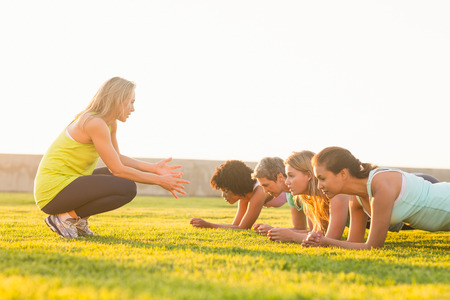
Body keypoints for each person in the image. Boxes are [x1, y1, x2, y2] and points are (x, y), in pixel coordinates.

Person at [34, 77, 190, 239]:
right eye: (131, 102)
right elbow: (118, 170)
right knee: (126, 187)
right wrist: (159, 180)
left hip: (68, 184)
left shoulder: (108, 123)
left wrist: (154, 168)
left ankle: (77, 221)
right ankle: (64, 219)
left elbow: (117, 158)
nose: (133, 108)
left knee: (115, 180)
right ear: (117, 100)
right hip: (53, 192)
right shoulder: (94, 122)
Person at [303, 146, 450, 250]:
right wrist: (321, 241)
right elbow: (355, 242)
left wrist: (326, 242)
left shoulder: (380, 186)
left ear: (343, 173)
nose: (319, 186)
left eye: (322, 179)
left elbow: (373, 246)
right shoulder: (357, 197)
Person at [255, 151, 350, 243]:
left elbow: (329, 240)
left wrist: (292, 236)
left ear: (308, 175)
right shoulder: (311, 199)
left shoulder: (336, 194)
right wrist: (277, 231)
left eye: (291, 176)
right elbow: (317, 233)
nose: (287, 182)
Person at [190, 160, 285, 229]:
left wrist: (208, 225)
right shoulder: (244, 197)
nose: (223, 196)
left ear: (236, 186)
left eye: (226, 190)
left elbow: (243, 228)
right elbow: (236, 226)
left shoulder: (260, 190)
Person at [251, 157, 309, 235]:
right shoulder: (290, 194)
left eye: (266, 185)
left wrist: (274, 230)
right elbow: (299, 227)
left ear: (280, 177)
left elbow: (316, 232)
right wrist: (272, 230)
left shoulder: (304, 190)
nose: (265, 191)